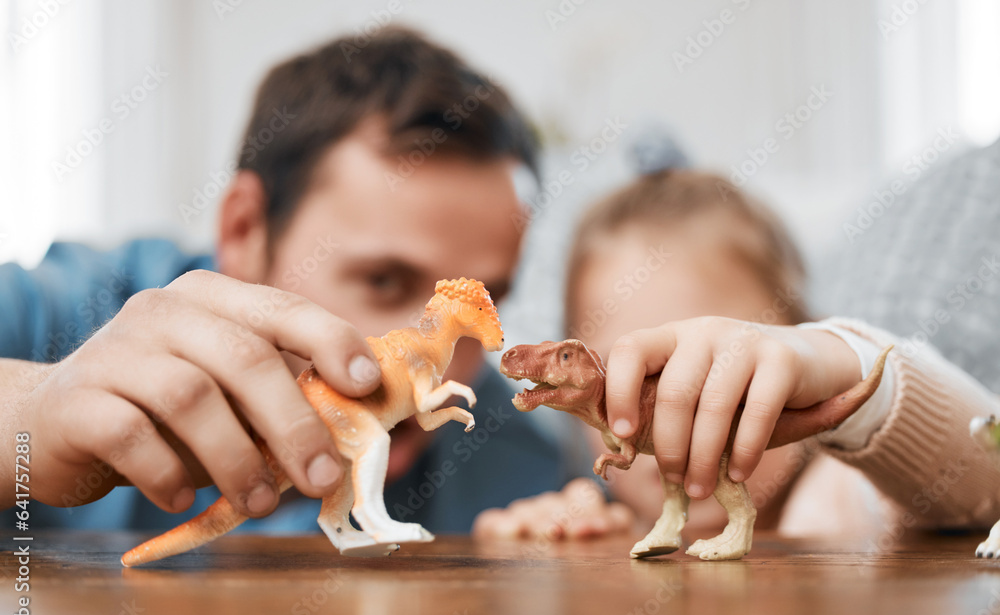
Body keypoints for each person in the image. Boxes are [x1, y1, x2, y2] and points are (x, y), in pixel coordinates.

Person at [0, 28, 587, 535]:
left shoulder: (517, 455)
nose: (438, 367)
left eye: (489, 296)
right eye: (383, 282)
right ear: (245, 229)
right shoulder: (58, 316)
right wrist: (26, 424)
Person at [474, 165, 1000, 542]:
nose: (677, 405)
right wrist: (539, 539)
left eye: (716, 369)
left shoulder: (853, 498)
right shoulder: (602, 523)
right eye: (624, 375)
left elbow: (984, 483)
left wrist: (845, 363)